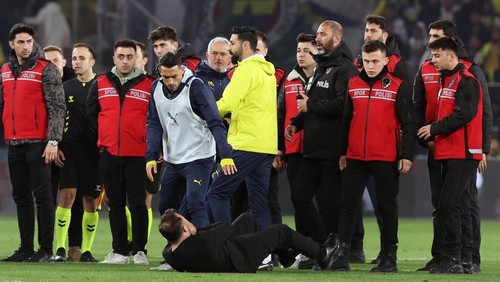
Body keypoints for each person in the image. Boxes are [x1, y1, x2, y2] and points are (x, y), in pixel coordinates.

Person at [329, 40, 416, 272]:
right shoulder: (353, 83)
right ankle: (342, 255)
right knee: (347, 206)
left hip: (386, 157)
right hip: (355, 156)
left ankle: (389, 256)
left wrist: (406, 155)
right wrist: (342, 152)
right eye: (366, 61)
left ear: (386, 60)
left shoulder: (398, 85)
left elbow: (409, 122)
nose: (370, 65)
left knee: (387, 208)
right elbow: (346, 121)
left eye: (375, 61)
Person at [413, 20, 492, 274]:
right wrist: (428, 137)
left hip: (463, 150)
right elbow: (421, 107)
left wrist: (482, 149)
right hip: (444, 149)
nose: (433, 54)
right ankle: (450, 257)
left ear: (451, 50)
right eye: (432, 49)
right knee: (448, 205)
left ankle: (465, 258)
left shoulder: (468, 77)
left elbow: (471, 113)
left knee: (457, 204)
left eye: (438, 51)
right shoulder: (441, 77)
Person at [285, 20, 359, 263]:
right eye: (317, 33)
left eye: (322, 34)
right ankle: (322, 244)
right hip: (312, 148)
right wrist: (297, 122)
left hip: (332, 148)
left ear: (336, 39)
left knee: (329, 204)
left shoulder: (345, 69)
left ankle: (337, 253)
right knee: (300, 196)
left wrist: (310, 106)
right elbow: (311, 102)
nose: (318, 38)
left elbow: (343, 105)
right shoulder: (321, 67)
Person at [146, 52, 235, 228]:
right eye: (166, 77)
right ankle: (178, 250)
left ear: (183, 70)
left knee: (196, 203)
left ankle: (201, 250)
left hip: (199, 158)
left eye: (174, 76)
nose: (170, 82)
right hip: (173, 160)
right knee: (166, 209)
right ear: (159, 73)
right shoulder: (155, 88)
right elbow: (154, 123)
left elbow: (215, 122)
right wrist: (150, 156)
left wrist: (225, 154)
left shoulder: (196, 88)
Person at [0, 23, 65, 262]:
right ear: (12, 44)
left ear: (34, 42)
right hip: (14, 143)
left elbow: (58, 106)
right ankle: (26, 249)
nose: (25, 46)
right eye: (21, 42)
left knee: (43, 196)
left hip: (39, 143)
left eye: (29, 41)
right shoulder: (5, 70)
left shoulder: (45, 69)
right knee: (21, 197)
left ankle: (45, 250)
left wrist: (53, 141)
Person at [87, 39, 152, 265]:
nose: (125, 61)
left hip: (138, 155)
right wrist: (104, 139)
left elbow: (156, 120)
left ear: (137, 59)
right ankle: (119, 252)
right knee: (115, 204)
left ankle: (140, 251)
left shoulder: (150, 85)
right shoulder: (100, 82)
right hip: (109, 154)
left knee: (138, 204)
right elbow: (91, 114)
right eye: (121, 56)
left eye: (129, 56)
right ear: (114, 58)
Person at [206, 26, 277, 229]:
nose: (230, 47)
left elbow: (228, 102)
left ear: (245, 45)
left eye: (233, 42)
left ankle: (224, 246)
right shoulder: (267, 72)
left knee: (216, 193)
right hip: (266, 146)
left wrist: (203, 114)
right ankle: (265, 255)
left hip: (246, 143)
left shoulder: (245, 69)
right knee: (259, 204)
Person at [160, 209, 339, 273]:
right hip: (240, 259)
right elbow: (225, 227)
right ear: (184, 229)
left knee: (247, 219)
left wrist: (197, 231)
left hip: (226, 251)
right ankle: (323, 254)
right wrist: (197, 230)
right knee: (281, 231)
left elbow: (218, 233)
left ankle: (287, 258)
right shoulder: (201, 242)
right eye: (186, 220)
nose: (189, 221)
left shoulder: (169, 253)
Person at [51, 43, 100, 263]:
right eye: (74, 58)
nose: (77, 62)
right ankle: (60, 248)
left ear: (92, 61)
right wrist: (58, 145)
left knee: (91, 201)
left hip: (95, 152)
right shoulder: (67, 87)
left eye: (82, 58)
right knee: (66, 197)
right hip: (70, 150)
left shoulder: (102, 86)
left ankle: (87, 251)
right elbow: (58, 120)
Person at [277, 32, 316, 249]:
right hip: (294, 149)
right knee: (299, 200)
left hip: (317, 149)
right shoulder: (289, 79)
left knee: (318, 200)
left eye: (307, 50)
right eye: (299, 50)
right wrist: (280, 149)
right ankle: (304, 247)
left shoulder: (324, 79)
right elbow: (280, 115)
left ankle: (322, 243)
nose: (301, 55)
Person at [43, 44, 82, 262]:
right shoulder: (39, 83)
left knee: (74, 200)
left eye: (55, 60)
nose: (51, 65)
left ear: (63, 62)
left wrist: (60, 144)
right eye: (47, 61)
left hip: (71, 152)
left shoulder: (73, 85)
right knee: (46, 199)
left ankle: (75, 246)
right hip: (45, 150)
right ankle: (49, 247)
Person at [194, 37, 231, 101]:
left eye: (223, 54)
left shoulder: (232, 79)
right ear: (207, 55)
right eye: (214, 53)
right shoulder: (196, 78)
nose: (218, 57)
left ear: (230, 57)